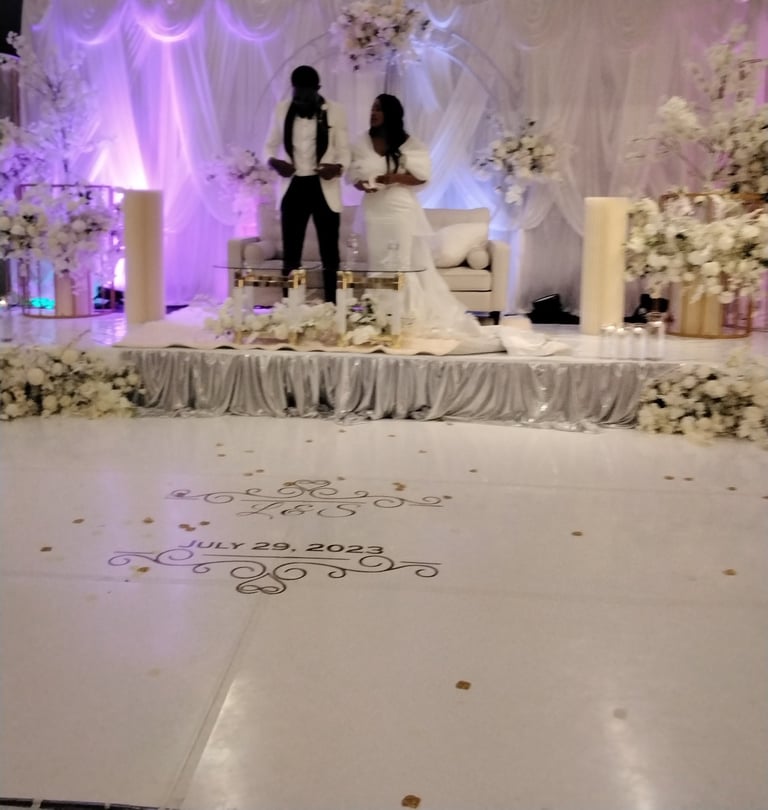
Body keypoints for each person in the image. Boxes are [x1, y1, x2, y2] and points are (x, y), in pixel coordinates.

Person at [347, 94, 483, 339]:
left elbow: (422, 177)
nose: (373, 113)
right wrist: (363, 185)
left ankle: (405, 315)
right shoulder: (361, 142)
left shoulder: (408, 143)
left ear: (390, 113)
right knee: (378, 262)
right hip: (374, 209)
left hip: (399, 208)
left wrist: (395, 178)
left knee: (399, 263)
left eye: (379, 109)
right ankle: (378, 315)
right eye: (372, 108)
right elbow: (354, 176)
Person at [265, 65, 350, 303]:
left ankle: (333, 306)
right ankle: (289, 307)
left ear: (317, 89)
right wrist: (274, 162)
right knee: (291, 254)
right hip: (293, 186)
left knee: (329, 253)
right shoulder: (281, 110)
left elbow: (344, 150)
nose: (301, 100)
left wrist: (338, 168)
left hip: (324, 186)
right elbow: (269, 146)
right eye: (297, 94)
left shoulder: (336, 111)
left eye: (306, 95)